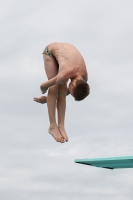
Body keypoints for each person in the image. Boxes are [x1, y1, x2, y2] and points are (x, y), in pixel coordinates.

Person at [34, 42, 90, 143]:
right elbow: (43, 86)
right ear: (73, 85)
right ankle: (52, 126)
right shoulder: (64, 75)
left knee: (63, 88)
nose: (70, 93)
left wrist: (48, 100)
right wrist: (44, 92)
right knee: (55, 87)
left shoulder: (84, 78)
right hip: (49, 52)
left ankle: (61, 126)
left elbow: (65, 92)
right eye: (72, 92)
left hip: (67, 53)